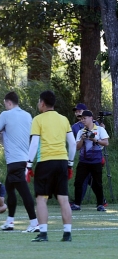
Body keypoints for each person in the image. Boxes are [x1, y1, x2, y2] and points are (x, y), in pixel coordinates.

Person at [27, 91, 76, 242]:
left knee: (41, 199)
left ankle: (43, 233)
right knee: (63, 199)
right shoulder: (64, 119)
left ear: (42, 103)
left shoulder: (38, 119)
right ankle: (67, 234)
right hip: (62, 161)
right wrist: (70, 164)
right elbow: (73, 143)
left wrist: (28, 164)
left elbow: (34, 143)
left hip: (45, 162)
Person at [0, 91, 39, 232]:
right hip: (24, 159)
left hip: (14, 161)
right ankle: (10, 222)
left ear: (9, 102)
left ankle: (34, 223)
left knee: (25, 193)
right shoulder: (27, 115)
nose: (5, 107)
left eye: (5, 104)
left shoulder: (6, 115)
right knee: (10, 189)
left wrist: (1, 135)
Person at [70, 103, 106, 208]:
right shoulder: (78, 129)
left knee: (97, 183)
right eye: (81, 118)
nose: (82, 120)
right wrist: (82, 138)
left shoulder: (99, 128)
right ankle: (77, 203)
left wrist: (94, 139)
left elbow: (105, 142)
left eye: (84, 118)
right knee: (79, 182)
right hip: (84, 160)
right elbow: (76, 146)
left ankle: (100, 203)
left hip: (96, 159)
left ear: (90, 118)